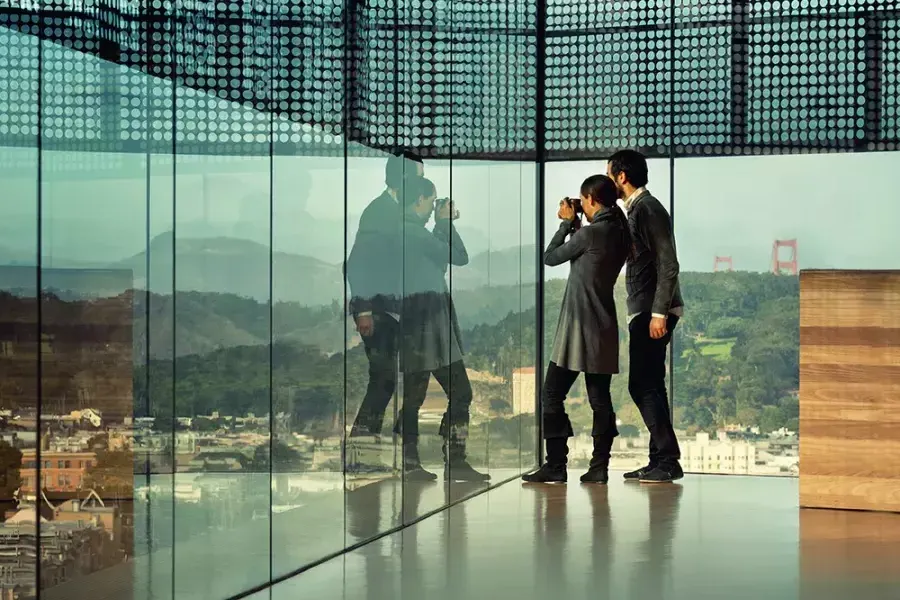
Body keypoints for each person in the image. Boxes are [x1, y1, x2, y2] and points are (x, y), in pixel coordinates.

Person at [522, 174, 631, 485]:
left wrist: (566, 225)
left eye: (583, 201)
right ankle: (599, 467)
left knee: (551, 394)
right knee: (600, 399)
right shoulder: (619, 231)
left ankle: (556, 465)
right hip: (605, 325)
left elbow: (550, 258)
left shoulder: (590, 234)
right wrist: (580, 222)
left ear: (591, 201)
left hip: (578, 327)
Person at [393, 176, 490, 482]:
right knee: (460, 393)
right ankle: (453, 459)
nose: (434, 207)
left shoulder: (406, 232)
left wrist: (440, 225)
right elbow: (458, 257)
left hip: (418, 324)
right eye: (432, 201)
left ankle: (411, 461)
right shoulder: (413, 233)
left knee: (415, 397)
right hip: (429, 324)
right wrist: (445, 223)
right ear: (420, 200)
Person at [607, 149, 685, 483]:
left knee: (641, 384)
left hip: (653, 309)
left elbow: (668, 263)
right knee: (650, 384)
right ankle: (660, 460)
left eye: (610, 174)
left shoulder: (648, 209)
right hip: (646, 308)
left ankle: (667, 458)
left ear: (621, 176)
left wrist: (658, 313)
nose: (610, 180)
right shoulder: (635, 210)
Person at [345, 150, 424, 473]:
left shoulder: (395, 211)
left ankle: (370, 454)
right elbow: (358, 262)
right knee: (383, 381)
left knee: (389, 381)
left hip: (392, 310)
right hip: (379, 310)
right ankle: (360, 455)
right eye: (417, 177)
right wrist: (363, 308)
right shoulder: (379, 212)